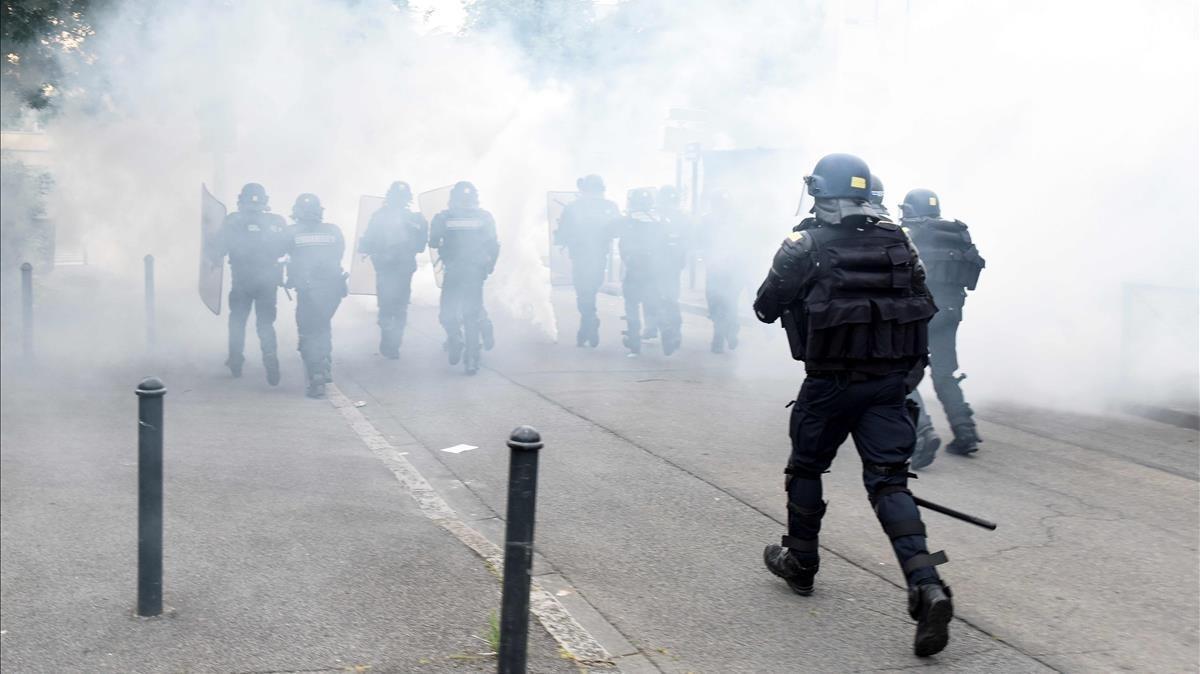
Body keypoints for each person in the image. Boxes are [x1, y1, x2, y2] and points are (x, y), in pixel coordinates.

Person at [754, 153, 954, 658]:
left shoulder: (804, 245)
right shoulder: (900, 243)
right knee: (889, 482)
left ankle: (801, 563)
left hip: (830, 383)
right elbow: (922, 309)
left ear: (820, 193)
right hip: (888, 384)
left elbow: (764, 307)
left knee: (806, 467)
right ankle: (926, 584)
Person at [899, 188, 986, 464]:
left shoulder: (910, 236)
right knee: (945, 375)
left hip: (921, 314)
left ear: (911, 210)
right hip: (951, 313)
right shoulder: (957, 234)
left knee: (902, 372)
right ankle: (966, 432)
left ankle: (923, 434)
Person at [871, 176, 941, 466]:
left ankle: (913, 435)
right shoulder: (894, 228)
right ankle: (921, 428)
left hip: (872, 317)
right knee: (898, 377)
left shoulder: (856, 228)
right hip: (902, 314)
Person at [209, 182, 290, 384]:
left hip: (242, 280)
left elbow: (219, 248)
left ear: (241, 200)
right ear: (265, 201)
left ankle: (236, 360)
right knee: (265, 323)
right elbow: (285, 249)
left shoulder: (233, 221)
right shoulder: (277, 221)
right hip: (268, 280)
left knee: (237, 321)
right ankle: (270, 357)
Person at [429, 181, 500, 375]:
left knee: (447, 313)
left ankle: (455, 338)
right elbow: (494, 245)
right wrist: (488, 268)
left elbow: (433, 242)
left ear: (453, 199)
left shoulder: (444, 217)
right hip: (475, 273)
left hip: (454, 272)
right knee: (472, 315)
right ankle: (472, 360)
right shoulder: (485, 217)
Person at [285, 193, 347, 399]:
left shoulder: (291, 232)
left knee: (308, 332)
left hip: (308, 290)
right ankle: (325, 363)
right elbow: (339, 255)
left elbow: (277, 252)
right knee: (322, 326)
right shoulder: (333, 231)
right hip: (333, 289)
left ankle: (317, 376)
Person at [358, 181, 429, 359]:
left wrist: (365, 248)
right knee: (400, 305)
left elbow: (368, 240)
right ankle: (395, 343)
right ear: (408, 199)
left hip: (385, 267)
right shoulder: (415, 219)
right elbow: (421, 246)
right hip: (404, 268)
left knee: (386, 304)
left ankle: (388, 335)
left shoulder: (379, 216)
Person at [555, 174, 620, 347]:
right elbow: (616, 230)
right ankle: (587, 325)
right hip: (600, 256)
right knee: (591, 290)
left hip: (580, 256)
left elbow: (562, 232)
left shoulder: (573, 207)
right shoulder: (611, 206)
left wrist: (562, 240)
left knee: (583, 292)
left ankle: (589, 321)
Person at [615, 188, 663, 357]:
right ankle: (654, 329)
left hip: (634, 270)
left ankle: (634, 339)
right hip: (654, 271)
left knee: (631, 305)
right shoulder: (659, 221)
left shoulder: (627, 221)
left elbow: (611, 232)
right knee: (651, 301)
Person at [699, 191, 748, 353]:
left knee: (718, 303)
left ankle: (721, 338)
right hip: (726, 268)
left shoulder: (709, 221)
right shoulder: (736, 220)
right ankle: (728, 333)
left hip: (723, 269)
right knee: (728, 303)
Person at [654, 185, 690, 354]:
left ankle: (669, 333)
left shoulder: (657, 217)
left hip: (664, 265)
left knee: (663, 300)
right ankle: (672, 332)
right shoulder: (680, 218)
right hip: (668, 265)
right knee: (669, 299)